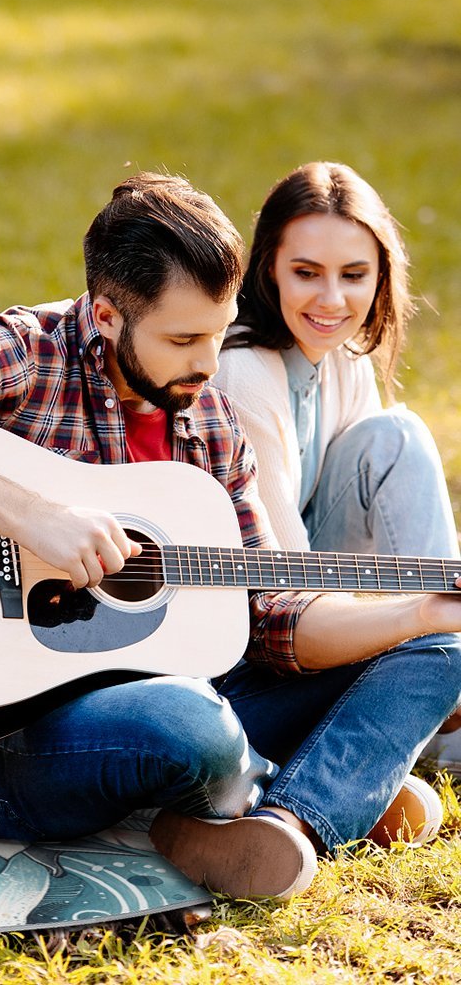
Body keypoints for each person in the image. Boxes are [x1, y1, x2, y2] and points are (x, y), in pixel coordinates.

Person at [0, 172, 461, 901]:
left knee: (441, 649)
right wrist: (30, 516)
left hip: (188, 693)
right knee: (190, 726)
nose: (209, 365)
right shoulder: (25, 352)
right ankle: (319, 781)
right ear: (107, 315)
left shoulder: (209, 421)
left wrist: (417, 613)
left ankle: (291, 822)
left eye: (218, 331)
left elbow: (270, 614)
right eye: (183, 339)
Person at [214, 161, 461, 775]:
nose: (332, 300)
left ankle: (440, 678)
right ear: (268, 266)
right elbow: (285, 587)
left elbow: (382, 522)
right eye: (306, 273)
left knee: (392, 436)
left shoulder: (343, 355)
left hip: (321, 594)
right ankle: (438, 704)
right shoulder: (244, 370)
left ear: (381, 277)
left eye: (354, 275)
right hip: (256, 631)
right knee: (398, 436)